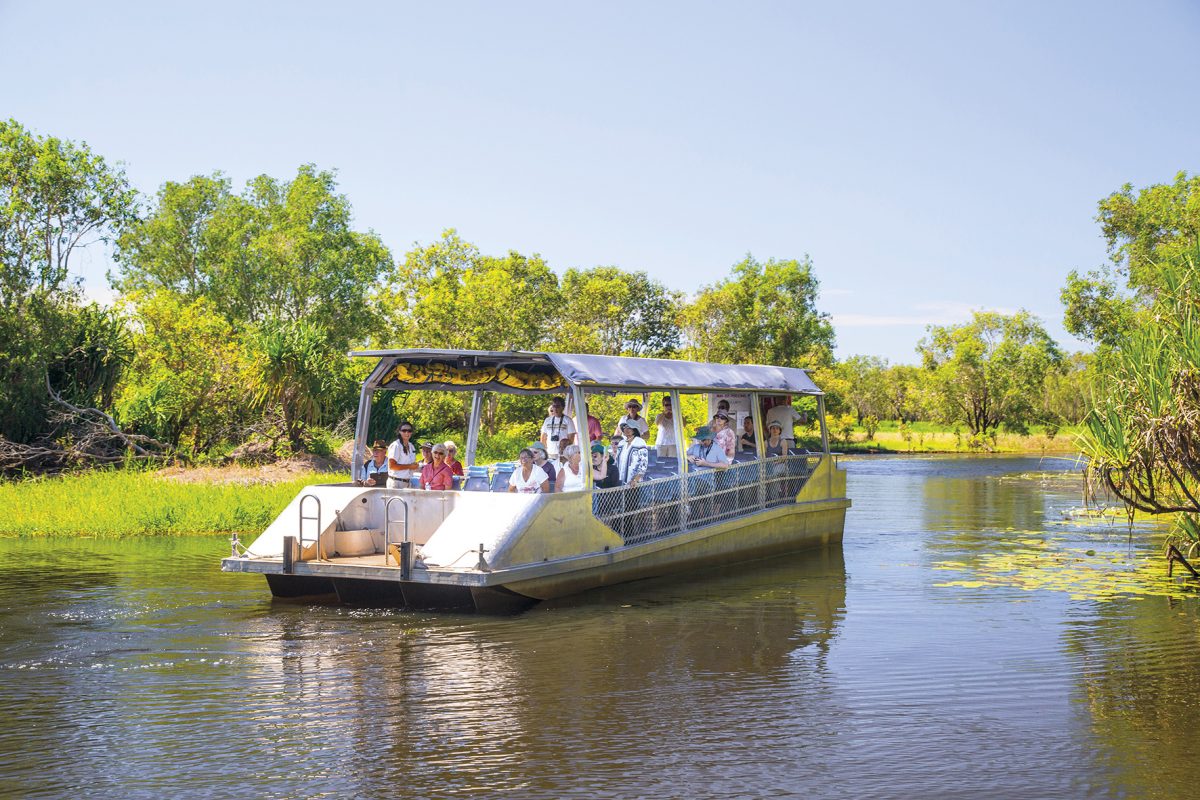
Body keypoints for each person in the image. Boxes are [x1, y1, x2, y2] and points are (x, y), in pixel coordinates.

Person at [616, 419, 649, 486]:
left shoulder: (640, 442)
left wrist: (635, 479)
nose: (626, 429)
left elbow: (643, 464)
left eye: (630, 428)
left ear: (635, 430)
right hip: (619, 481)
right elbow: (616, 461)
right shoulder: (621, 443)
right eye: (625, 427)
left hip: (634, 484)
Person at [387, 423, 419, 488]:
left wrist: (415, 466)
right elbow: (392, 466)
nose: (407, 433)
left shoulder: (411, 446)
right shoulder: (396, 445)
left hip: (407, 482)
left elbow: (410, 464)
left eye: (409, 431)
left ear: (411, 432)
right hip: (396, 482)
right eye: (404, 430)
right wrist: (410, 466)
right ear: (399, 431)